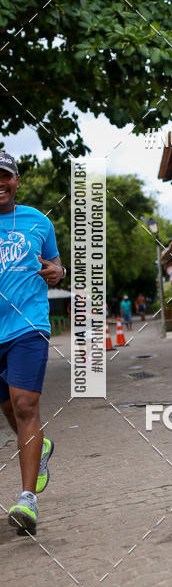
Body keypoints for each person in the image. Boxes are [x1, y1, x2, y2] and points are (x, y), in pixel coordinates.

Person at [0, 152, 66, 535]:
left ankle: (27, 500)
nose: (0, 183)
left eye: (5, 176)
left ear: (17, 180)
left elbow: (56, 267)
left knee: (26, 405)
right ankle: (38, 447)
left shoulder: (37, 221)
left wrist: (58, 271)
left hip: (28, 326)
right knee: (9, 406)